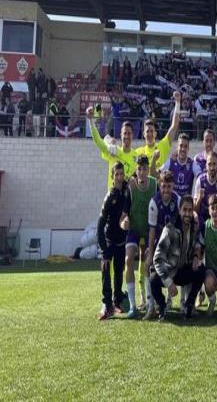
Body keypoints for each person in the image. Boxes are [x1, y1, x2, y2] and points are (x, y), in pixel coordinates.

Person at [150, 195, 206, 320]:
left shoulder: (194, 227)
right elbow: (157, 259)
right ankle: (162, 307)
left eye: (190, 210)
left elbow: (198, 243)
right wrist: (169, 283)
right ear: (179, 211)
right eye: (184, 210)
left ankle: (189, 305)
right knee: (153, 279)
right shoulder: (170, 229)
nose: (187, 213)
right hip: (169, 270)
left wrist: (196, 255)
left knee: (201, 270)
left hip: (183, 270)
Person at [120, 155, 157, 319]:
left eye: (144, 169)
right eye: (139, 169)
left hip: (149, 230)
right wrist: (124, 223)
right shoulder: (131, 187)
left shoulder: (154, 185)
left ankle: (150, 303)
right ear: (136, 170)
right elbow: (123, 216)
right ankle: (133, 306)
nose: (141, 172)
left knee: (149, 262)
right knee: (128, 260)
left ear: (148, 170)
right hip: (134, 230)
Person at [143, 170, 180, 320]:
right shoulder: (154, 202)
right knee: (147, 265)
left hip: (173, 244)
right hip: (158, 242)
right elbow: (152, 230)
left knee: (175, 266)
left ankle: (176, 302)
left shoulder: (177, 200)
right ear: (160, 185)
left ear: (173, 186)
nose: (166, 190)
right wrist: (151, 253)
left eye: (169, 187)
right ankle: (151, 305)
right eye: (164, 186)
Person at [96, 162, 128, 319]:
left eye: (122, 174)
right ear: (112, 177)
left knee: (119, 272)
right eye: (117, 175)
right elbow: (100, 225)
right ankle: (106, 303)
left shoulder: (128, 191)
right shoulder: (109, 196)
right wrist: (103, 249)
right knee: (105, 268)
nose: (120, 177)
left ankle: (118, 301)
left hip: (122, 241)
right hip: (109, 240)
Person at [87, 106, 137, 188]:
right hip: (112, 194)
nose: (126, 136)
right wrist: (91, 121)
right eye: (124, 133)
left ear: (132, 135)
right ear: (121, 135)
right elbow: (98, 141)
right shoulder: (113, 150)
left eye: (129, 133)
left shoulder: (136, 156)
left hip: (127, 195)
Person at [133, 91, 181, 168]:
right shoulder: (138, 152)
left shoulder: (162, 146)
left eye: (152, 131)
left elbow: (174, 125)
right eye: (147, 131)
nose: (149, 134)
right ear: (144, 134)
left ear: (155, 133)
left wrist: (178, 103)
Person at [193, 151, 217, 224]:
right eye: (209, 164)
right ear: (206, 165)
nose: (212, 167)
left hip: (216, 221)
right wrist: (199, 198)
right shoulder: (200, 180)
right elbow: (195, 210)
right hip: (202, 220)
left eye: (214, 164)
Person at [159, 133, 195, 197]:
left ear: (188, 148)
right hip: (173, 201)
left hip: (186, 202)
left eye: (185, 146)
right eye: (181, 146)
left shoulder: (192, 164)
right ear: (177, 147)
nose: (183, 149)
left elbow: (201, 177)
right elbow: (156, 173)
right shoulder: (170, 162)